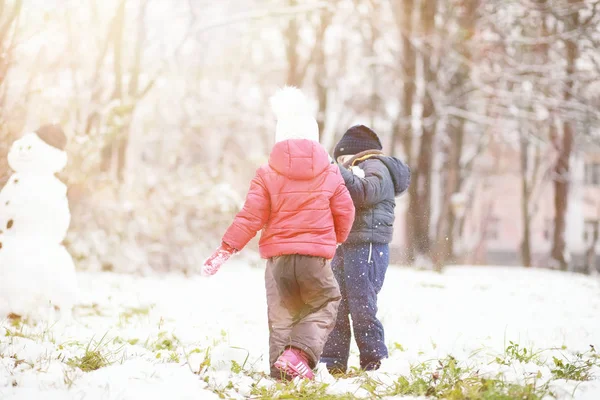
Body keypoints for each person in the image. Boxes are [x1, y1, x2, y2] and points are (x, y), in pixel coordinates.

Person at [202, 87, 355, 380]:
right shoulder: (330, 172)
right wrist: (336, 237)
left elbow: (251, 216)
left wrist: (226, 248)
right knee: (325, 301)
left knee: (282, 314)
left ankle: (281, 372)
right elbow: (346, 211)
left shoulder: (267, 173)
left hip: (279, 261)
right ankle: (298, 356)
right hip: (315, 260)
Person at [321, 124, 411, 374]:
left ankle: (375, 360)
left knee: (362, 305)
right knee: (337, 303)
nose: (340, 163)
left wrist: (334, 168)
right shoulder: (357, 169)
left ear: (355, 152)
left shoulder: (375, 165)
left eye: (342, 158)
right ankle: (332, 361)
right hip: (347, 243)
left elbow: (364, 192)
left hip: (368, 245)